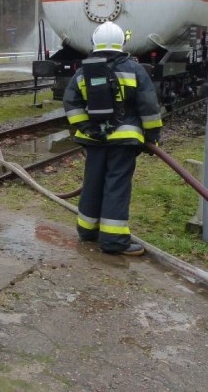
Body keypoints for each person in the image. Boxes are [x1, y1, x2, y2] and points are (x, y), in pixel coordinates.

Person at [62, 21, 162, 256]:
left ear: (95, 43)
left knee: (92, 183)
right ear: (122, 43)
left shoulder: (83, 71)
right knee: (116, 186)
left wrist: (88, 128)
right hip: (124, 141)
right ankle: (113, 241)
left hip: (95, 140)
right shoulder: (135, 70)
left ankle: (87, 231)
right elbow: (149, 106)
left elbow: (71, 103)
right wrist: (152, 136)